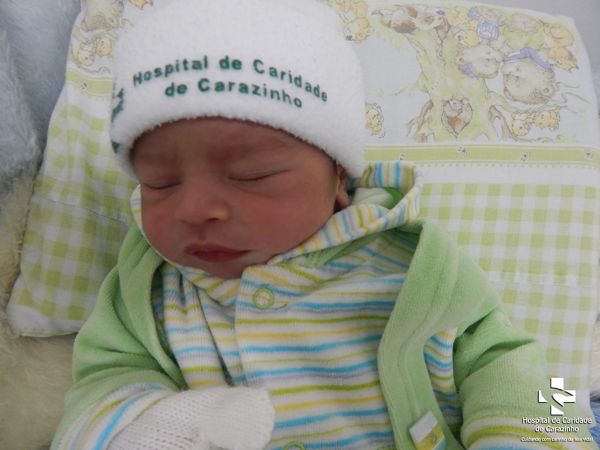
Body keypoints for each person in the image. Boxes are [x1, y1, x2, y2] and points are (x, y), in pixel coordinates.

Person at [51, 0, 596, 449]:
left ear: (338, 174)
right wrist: (144, 427)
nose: (193, 208)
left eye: (251, 174)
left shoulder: (413, 265)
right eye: (159, 182)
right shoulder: (148, 290)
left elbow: (525, 362)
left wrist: (539, 433)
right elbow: (102, 380)